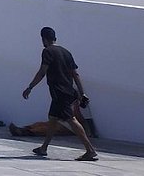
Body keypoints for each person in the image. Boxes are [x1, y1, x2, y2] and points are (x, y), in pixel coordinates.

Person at [22, 26, 98, 161]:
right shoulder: (66, 52)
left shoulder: (47, 51)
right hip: (68, 91)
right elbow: (75, 74)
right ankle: (43, 148)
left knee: (71, 119)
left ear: (44, 39)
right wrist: (82, 93)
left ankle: (90, 150)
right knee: (53, 118)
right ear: (54, 38)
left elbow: (42, 72)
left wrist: (30, 87)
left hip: (59, 92)